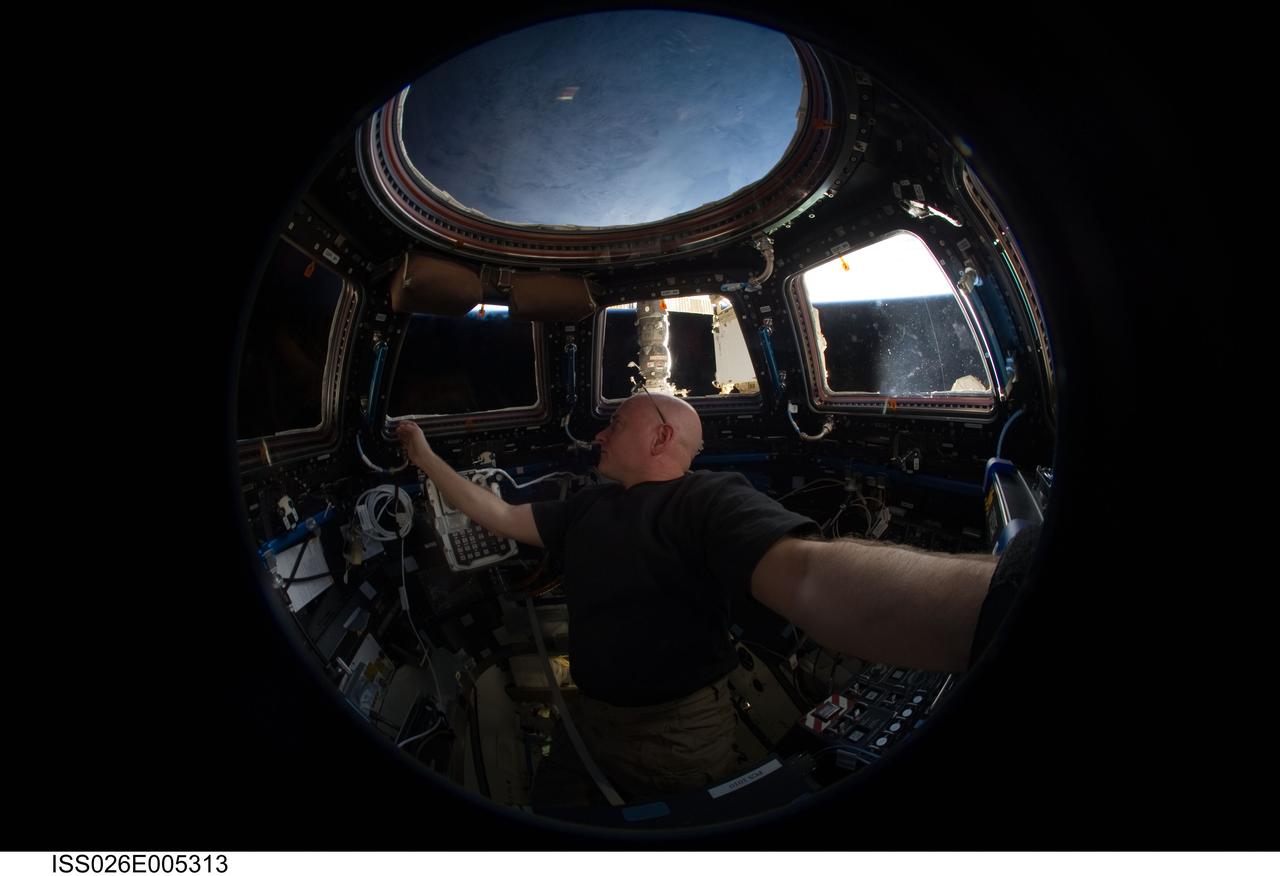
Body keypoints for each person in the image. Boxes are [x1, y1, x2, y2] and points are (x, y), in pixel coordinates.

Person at [395, 392, 1003, 804]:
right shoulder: (587, 504)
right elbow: (499, 514)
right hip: (588, 719)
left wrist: (999, 601)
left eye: (618, 425)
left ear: (661, 436)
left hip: (676, 736)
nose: (599, 435)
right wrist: (425, 458)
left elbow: (809, 574)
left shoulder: (709, 500)